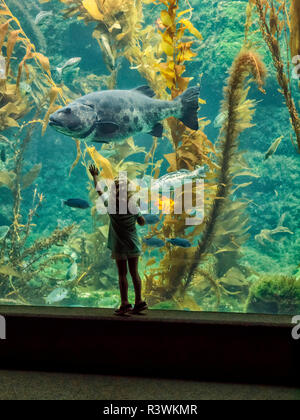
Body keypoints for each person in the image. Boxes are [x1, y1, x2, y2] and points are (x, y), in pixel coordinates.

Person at [89, 164, 148, 316]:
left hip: (119, 246)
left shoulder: (110, 204)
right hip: (133, 244)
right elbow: (141, 222)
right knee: (135, 273)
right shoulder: (132, 205)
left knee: (122, 274)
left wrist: (95, 175)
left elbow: (99, 189)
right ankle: (139, 301)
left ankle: (125, 303)